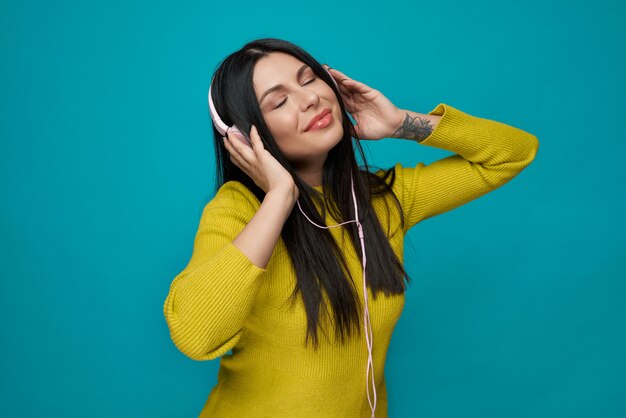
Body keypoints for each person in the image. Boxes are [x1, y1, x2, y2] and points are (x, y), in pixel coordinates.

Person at [163, 38, 539, 418]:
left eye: (309, 80)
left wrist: (400, 123)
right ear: (245, 138)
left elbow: (513, 153)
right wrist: (279, 198)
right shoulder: (239, 210)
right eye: (279, 101)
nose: (309, 99)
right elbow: (196, 335)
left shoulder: (382, 200)